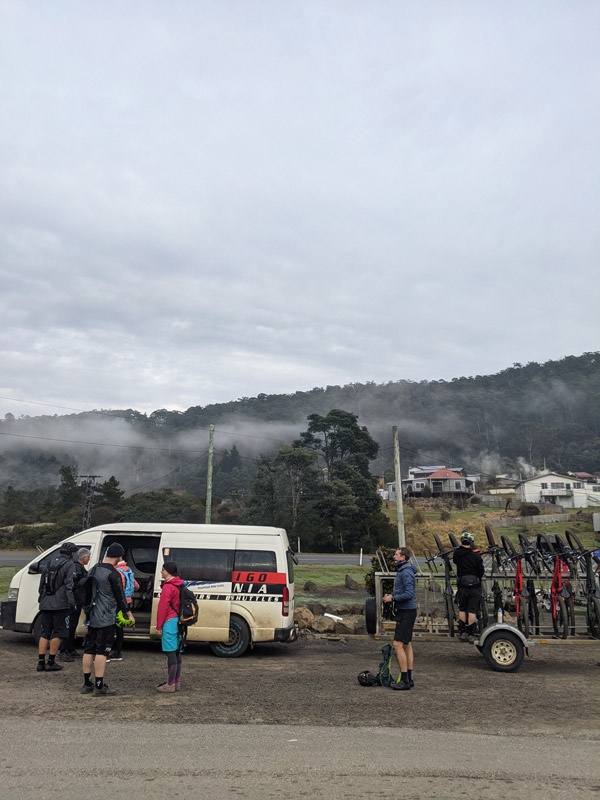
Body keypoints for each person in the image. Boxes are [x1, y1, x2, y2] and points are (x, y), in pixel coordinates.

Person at [80, 542, 134, 696]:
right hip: (106, 618)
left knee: (89, 649)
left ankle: (86, 684)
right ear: (118, 557)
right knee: (102, 652)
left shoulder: (94, 569)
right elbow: (120, 597)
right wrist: (128, 614)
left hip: (92, 616)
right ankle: (99, 685)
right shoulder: (113, 574)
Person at [37, 542, 78, 672]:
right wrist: (72, 603)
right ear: (71, 553)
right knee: (58, 632)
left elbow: (42, 584)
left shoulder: (49, 563)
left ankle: (40, 662)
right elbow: (69, 586)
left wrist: (41, 598)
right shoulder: (69, 564)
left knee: (45, 632)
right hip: (60, 603)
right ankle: (51, 661)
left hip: (45, 602)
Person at [383, 547, 417, 691]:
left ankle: (404, 680)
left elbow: (409, 593)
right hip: (406, 610)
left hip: (407, 611)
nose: (394, 557)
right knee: (406, 644)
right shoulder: (403, 571)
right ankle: (408, 678)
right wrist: (392, 595)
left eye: (396, 554)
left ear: (403, 557)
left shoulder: (406, 572)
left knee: (397, 644)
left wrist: (393, 598)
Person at [156, 561, 184, 693]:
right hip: (178, 621)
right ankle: (176, 682)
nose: (161, 572)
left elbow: (163, 608)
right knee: (177, 652)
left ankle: (170, 684)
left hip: (169, 621)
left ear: (168, 571)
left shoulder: (168, 587)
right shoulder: (179, 584)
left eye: (163, 570)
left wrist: (159, 625)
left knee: (170, 653)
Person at [453, 531, 485, 643]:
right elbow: (481, 571)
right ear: (471, 542)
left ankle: (462, 632)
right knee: (472, 610)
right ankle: (471, 633)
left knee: (462, 608)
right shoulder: (476, 556)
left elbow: (455, 562)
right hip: (474, 586)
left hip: (462, 585)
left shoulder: (457, 554)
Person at [59, 547, 91, 661]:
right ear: (83, 557)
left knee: (73, 625)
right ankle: (64, 649)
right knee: (70, 626)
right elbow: (75, 585)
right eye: (88, 557)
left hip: (77, 600)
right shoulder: (77, 568)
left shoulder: (78, 567)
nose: (89, 559)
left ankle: (70, 648)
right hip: (75, 600)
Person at [108, 556, 140, 661]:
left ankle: (110, 650)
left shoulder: (117, 571)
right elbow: (137, 586)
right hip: (128, 601)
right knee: (120, 627)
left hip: (118, 602)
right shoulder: (129, 570)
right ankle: (118, 651)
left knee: (112, 626)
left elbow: (117, 588)